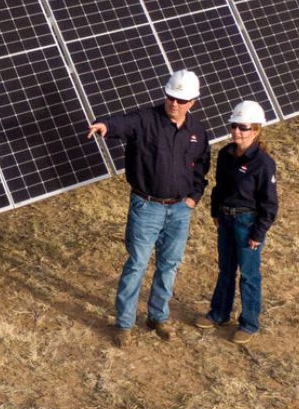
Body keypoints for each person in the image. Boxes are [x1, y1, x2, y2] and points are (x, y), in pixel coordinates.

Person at [87, 69, 210, 347]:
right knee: (137, 264)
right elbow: (122, 123)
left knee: (169, 265)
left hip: (180, 210)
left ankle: (158, 317)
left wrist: (193, 198)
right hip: (147, 207)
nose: (174, 103)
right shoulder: (146, 120)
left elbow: (201, 168)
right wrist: (104, 125)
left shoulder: (198, 132)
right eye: (170, 97)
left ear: (193, 102)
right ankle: (124, 324)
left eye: (180, 100)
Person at [195, 100, 278, 345]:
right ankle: (219, 314)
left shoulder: (263, 163)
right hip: (226, 219)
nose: (236, 132)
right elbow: (219, 187)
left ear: (256, 130)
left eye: (243, 128)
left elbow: (269, 203)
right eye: (233, 127)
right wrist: (215, 213)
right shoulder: (225, 154)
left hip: (247, 222)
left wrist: (258, 232)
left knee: (249, 275)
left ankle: (249, 323)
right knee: (226, 270)